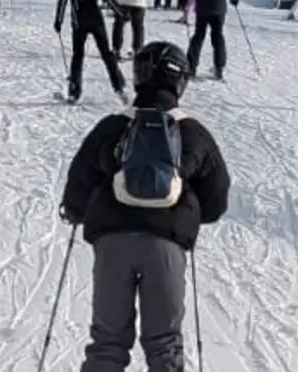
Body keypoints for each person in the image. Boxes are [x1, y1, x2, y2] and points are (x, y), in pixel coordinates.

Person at [60, 40, 231, 372]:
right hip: (166, 244)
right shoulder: (192, 131)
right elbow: (216, 199)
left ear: (139, 76)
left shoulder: (113, 125)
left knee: (107, 341)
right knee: (164, 344)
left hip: (113, 241)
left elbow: (78, 184)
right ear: (180, 81)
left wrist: (77, 211)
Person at [56, 0, 129, 103]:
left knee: (78, 56)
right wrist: (121, 13)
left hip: (79, 23)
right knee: (106, 54)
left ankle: (74, 92)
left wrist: (58, 21)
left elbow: (62, 1)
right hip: (97, 22)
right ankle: (119, 86)